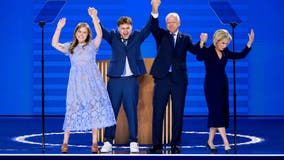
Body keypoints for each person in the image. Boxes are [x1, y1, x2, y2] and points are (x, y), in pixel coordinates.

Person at [51, 7, 116, 153]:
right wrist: (58, 28)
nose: (81, 34)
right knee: (72, 109)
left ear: (87, 34)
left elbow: (99, 34)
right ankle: (65, 142)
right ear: (75, 33)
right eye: (79, 32)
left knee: (93, 109)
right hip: (76, 84)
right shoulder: (70, 47)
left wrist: (94, 17)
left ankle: (94, 143)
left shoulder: (93, 45)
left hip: (92, 83)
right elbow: (54, 44)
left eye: (84, 32)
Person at [148, 0, 208, 154]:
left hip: (179, 81)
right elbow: (153, 26)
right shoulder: (161, 35)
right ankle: (157, 145)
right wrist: (155, 8)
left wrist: (201, 43)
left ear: (179, 23)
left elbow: (197, 53)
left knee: (177, 113)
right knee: (158, 112)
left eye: (173, 22)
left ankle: (175, 144)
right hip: (162, 78)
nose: (170, 25)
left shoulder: (185, 38)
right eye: (168, 22)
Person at [99, 2, 154, 153]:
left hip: (131, 81)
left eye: (127, 28)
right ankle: (108, 141)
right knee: (111, 112)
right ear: (118, 28)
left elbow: (149, 27)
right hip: (115, 81)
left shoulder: (137, 36)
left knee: (131, 111)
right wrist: (95, 18)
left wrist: (154, 10)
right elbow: (102, 31)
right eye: (122, 28)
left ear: (131, 27)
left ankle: (133, 141)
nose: (125, 31)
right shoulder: (113, 37)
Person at [196, 29, 254, 154]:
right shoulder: (209, 51)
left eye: (226, 43)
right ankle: (226, 142)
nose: (224, 46)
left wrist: (249, 43)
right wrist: (202, 43)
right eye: (223, 43)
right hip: (211, 85)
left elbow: (239, 55)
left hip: (223, 84)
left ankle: (210, 142)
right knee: (217, 112)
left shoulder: (226, 51)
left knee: (217, 112)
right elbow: (200, 57)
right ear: (216, 41)